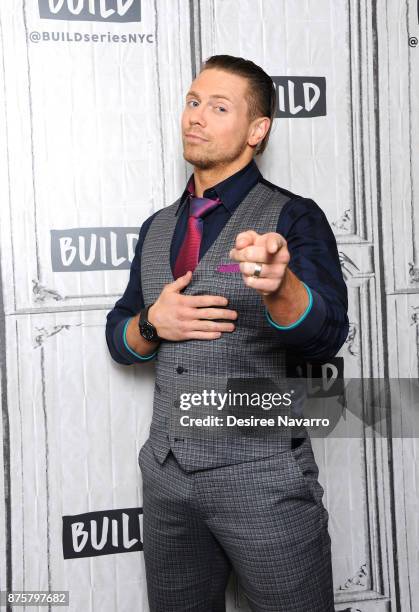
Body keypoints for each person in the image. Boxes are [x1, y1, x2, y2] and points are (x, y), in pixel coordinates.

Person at [106, 54, 349, 612]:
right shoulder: (158, 226)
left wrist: (278, 286)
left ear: (256, 130)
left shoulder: (294, 216)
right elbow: (118, 337)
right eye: (194, 102)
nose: (197, 117)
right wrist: (152, 324)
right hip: (167, 481)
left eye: (219, 107)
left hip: (263, 480)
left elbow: (327, 334)